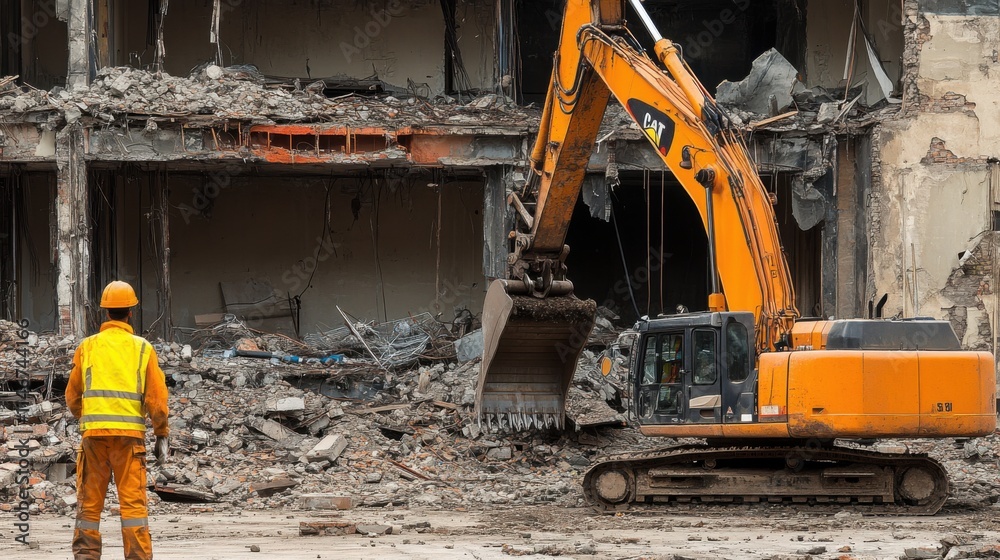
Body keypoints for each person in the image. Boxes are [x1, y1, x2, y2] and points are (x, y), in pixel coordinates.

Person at [66, 281, 170, 560]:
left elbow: (72, 396)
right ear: (131, 312)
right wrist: (161, 433)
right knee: (133, 507)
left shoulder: (87, 347)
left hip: (93, 439)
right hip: (129, 441)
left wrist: (87, 419)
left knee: (88, 507)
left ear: (105, 313)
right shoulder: (142, 348)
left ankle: (86, 556)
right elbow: (157, 402)